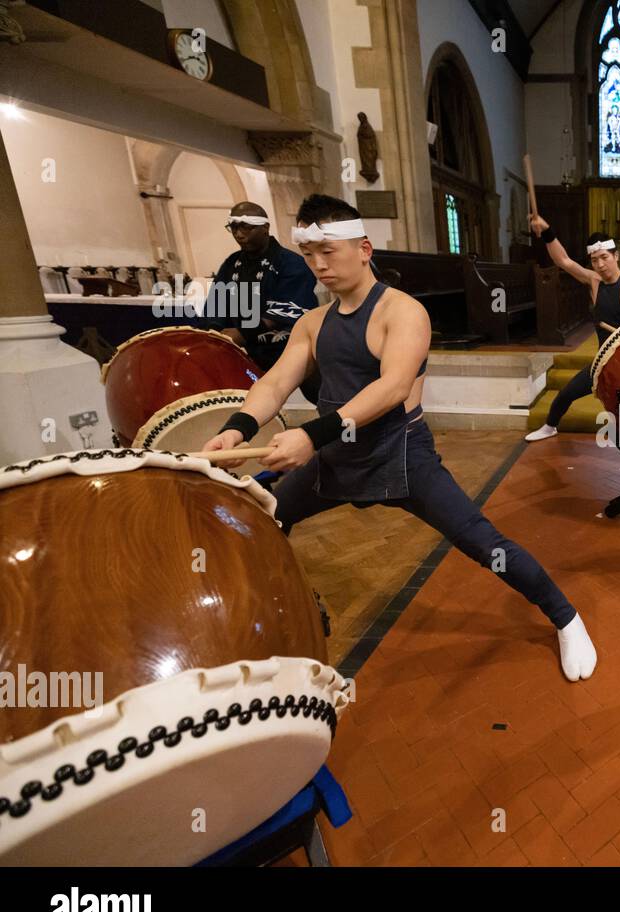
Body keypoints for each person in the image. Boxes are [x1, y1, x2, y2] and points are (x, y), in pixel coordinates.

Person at [202, 194, 597, 682]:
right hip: (335, 457)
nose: (318, 265)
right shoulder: (312, 323)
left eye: (329, 251)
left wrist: (310, 435)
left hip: (401, 454)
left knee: (482, 542)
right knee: (265, 520)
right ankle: (281, 612)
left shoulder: (402, 312)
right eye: (309, 255)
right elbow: (275, 383)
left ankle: (566, 617)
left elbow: (390, 389)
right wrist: (234, 430)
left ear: (364, 248)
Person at [523, 216, 620, 443]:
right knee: (566, 394)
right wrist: (548, 231)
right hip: (605, 361)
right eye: (594, 260)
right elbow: (563, 261)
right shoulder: (594, 281)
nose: (600, 265)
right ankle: (550, 426)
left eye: (604, 258)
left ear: (616, 256)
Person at [203, 201, 322, 403]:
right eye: (234, 227)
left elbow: (288, 309)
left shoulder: (291, 263)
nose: (239, 234)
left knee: (318, 394)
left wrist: (241, 333)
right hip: (244, 351)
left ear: (265, 228)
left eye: (246, 227)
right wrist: (215, 331)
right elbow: (218, 301)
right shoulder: (232, 263)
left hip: (289, 348)